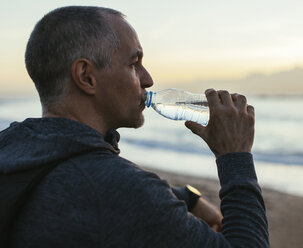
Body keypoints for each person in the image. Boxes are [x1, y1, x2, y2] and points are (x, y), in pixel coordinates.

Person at [0, 6, 269, 248]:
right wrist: (235, 156)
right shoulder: (116, 189)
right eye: (134, 63)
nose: (148, 79)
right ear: (86, 76)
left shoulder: (14, 148)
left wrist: (187, 198)